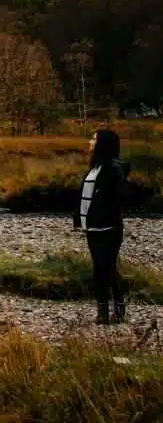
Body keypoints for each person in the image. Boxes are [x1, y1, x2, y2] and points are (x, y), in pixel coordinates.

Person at [74, 128, 130, 325]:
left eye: (93, 139)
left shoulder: (113, 168)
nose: (90, 142)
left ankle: (108, 311)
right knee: (103, 267)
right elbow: (86, 196)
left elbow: (122, 196)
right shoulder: (95, 167)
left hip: (108, 228)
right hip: (92, 227)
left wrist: (106, 214)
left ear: (103, 143)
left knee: (104, 267)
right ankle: (109, 309)